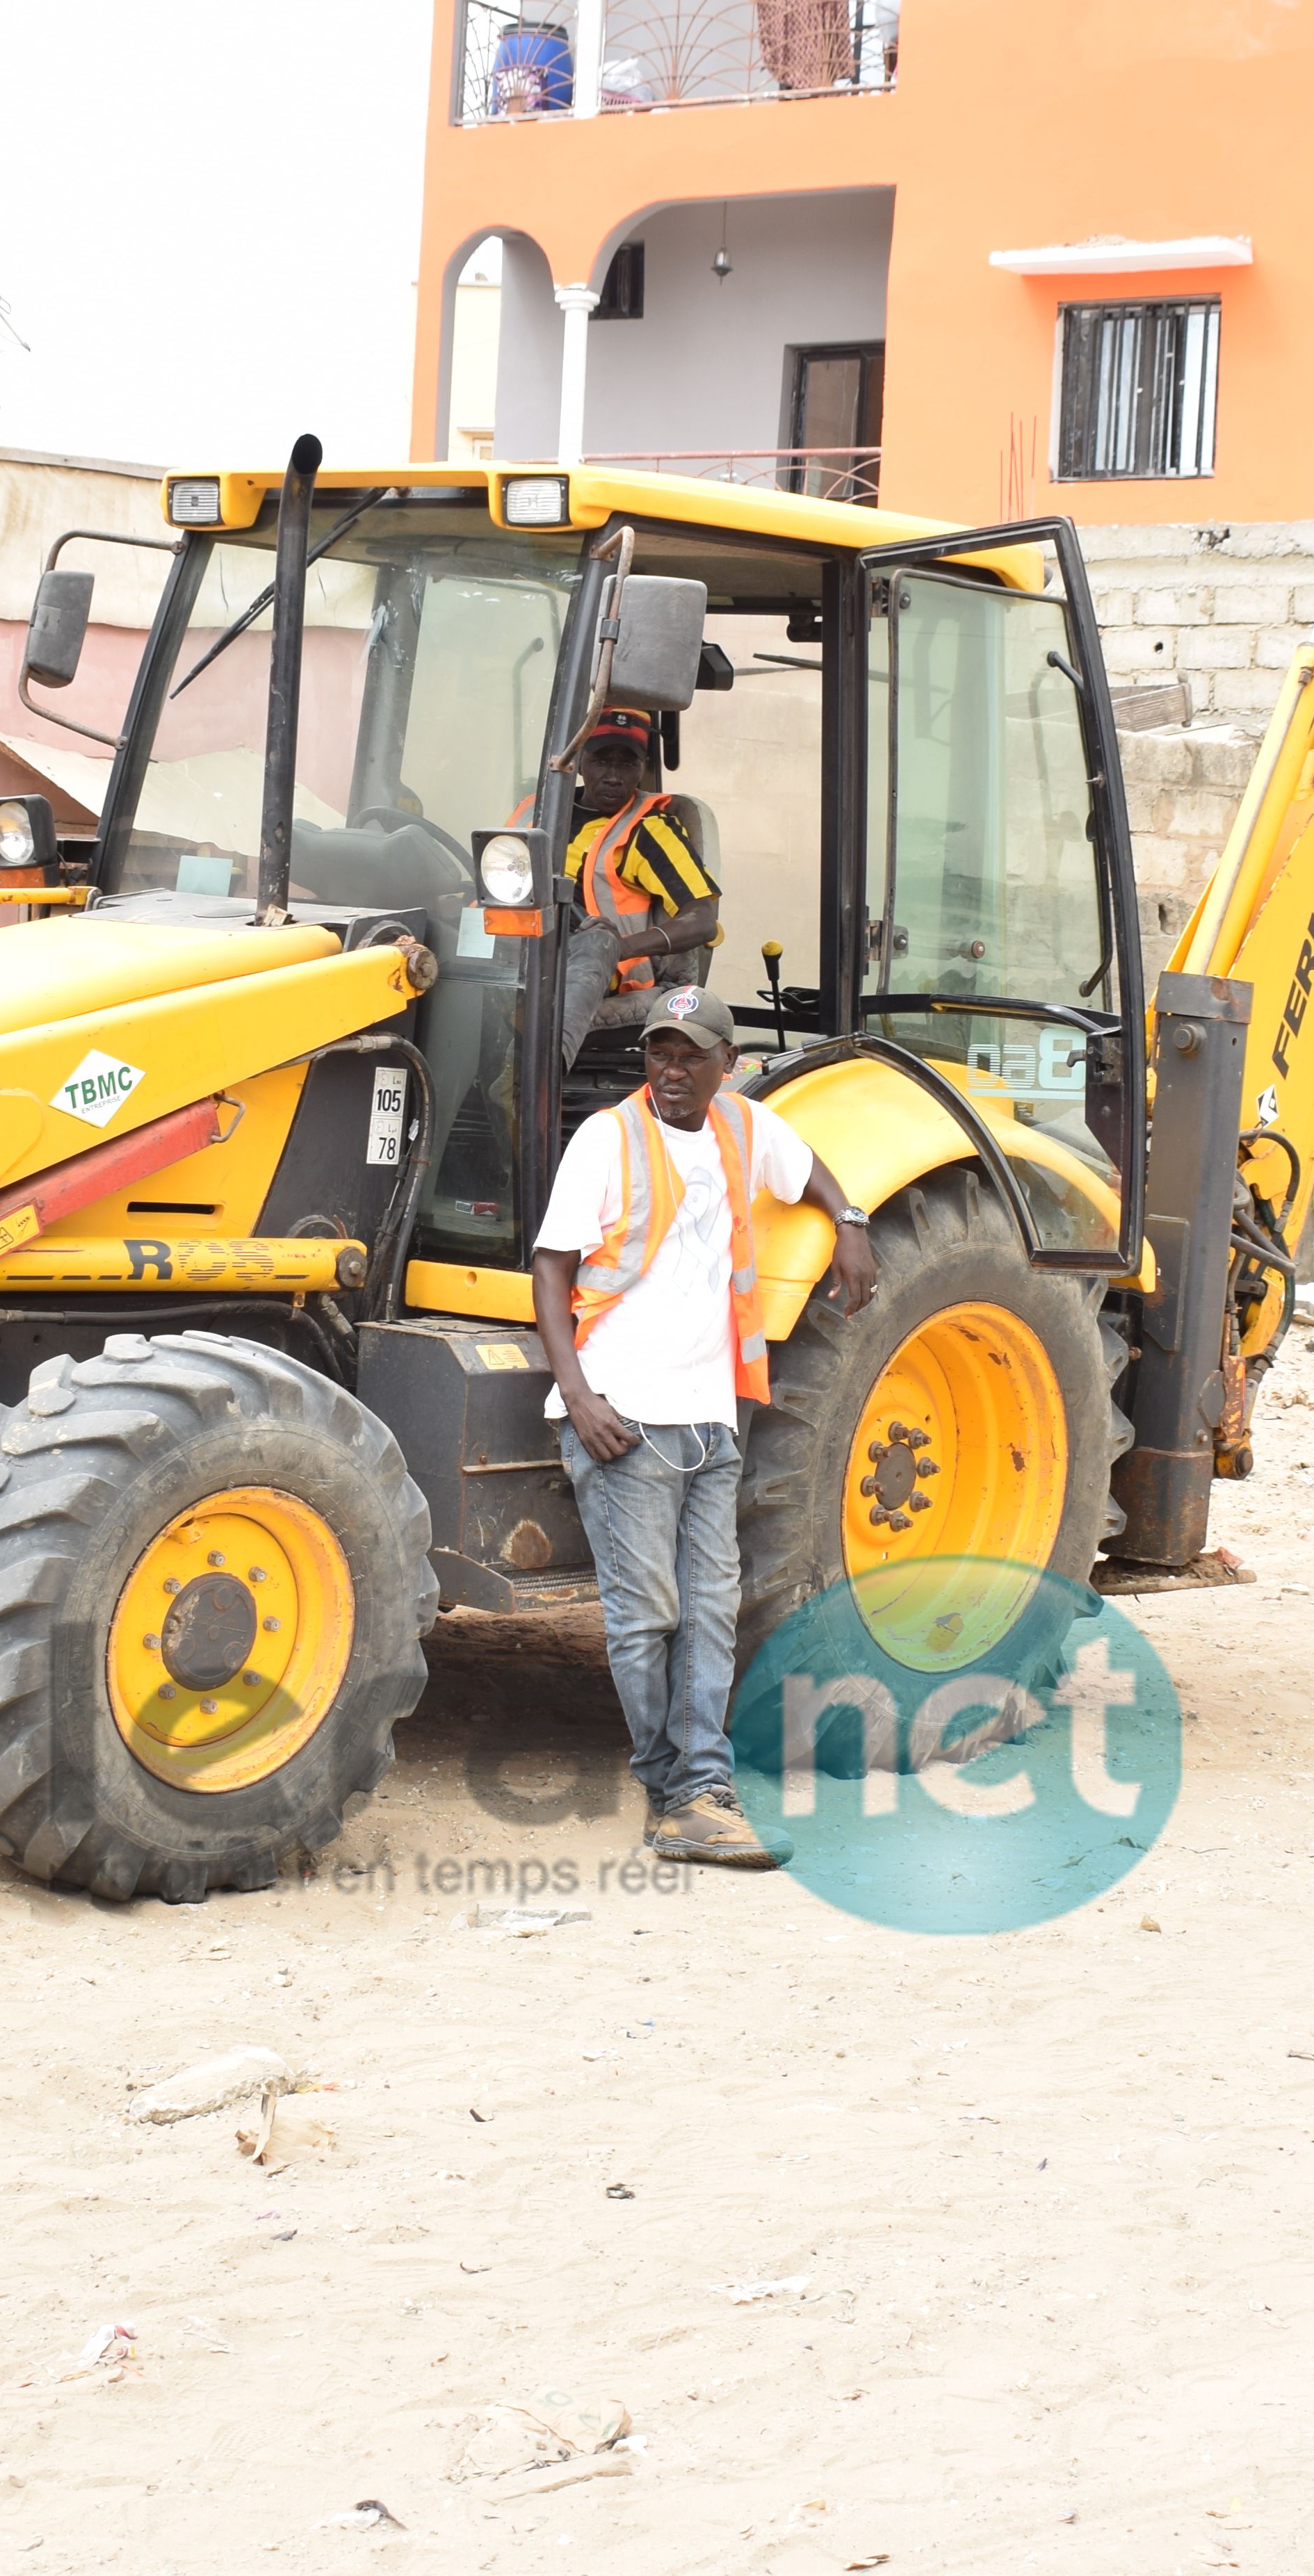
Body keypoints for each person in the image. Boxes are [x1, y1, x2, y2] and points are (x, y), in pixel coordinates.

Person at [530, 986, 876, 1867]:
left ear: (729, 1065)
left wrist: (849, 1221)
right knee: (646, 1614)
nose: (672, 1070)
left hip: (713, 1420)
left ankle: (699, 1790)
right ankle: (676, 1791)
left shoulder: (744, 1128)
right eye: (660, 1052)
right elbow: (551, 1267)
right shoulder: (606, 1139)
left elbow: (808, 1167)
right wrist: (578, 1395)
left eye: (690, 1055)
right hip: (624, 1415)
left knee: (711, 1612)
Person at [553, 713, 722, 1069]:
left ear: (642, 767)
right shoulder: (537, 812)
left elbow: (702, 920)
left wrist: (620, 946)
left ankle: (545, 1069)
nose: (614, 776)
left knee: (597, 941)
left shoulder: (648, 829)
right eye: (601, 761)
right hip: (527, 952)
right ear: (579, 761)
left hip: (600, 972)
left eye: (627, 764)